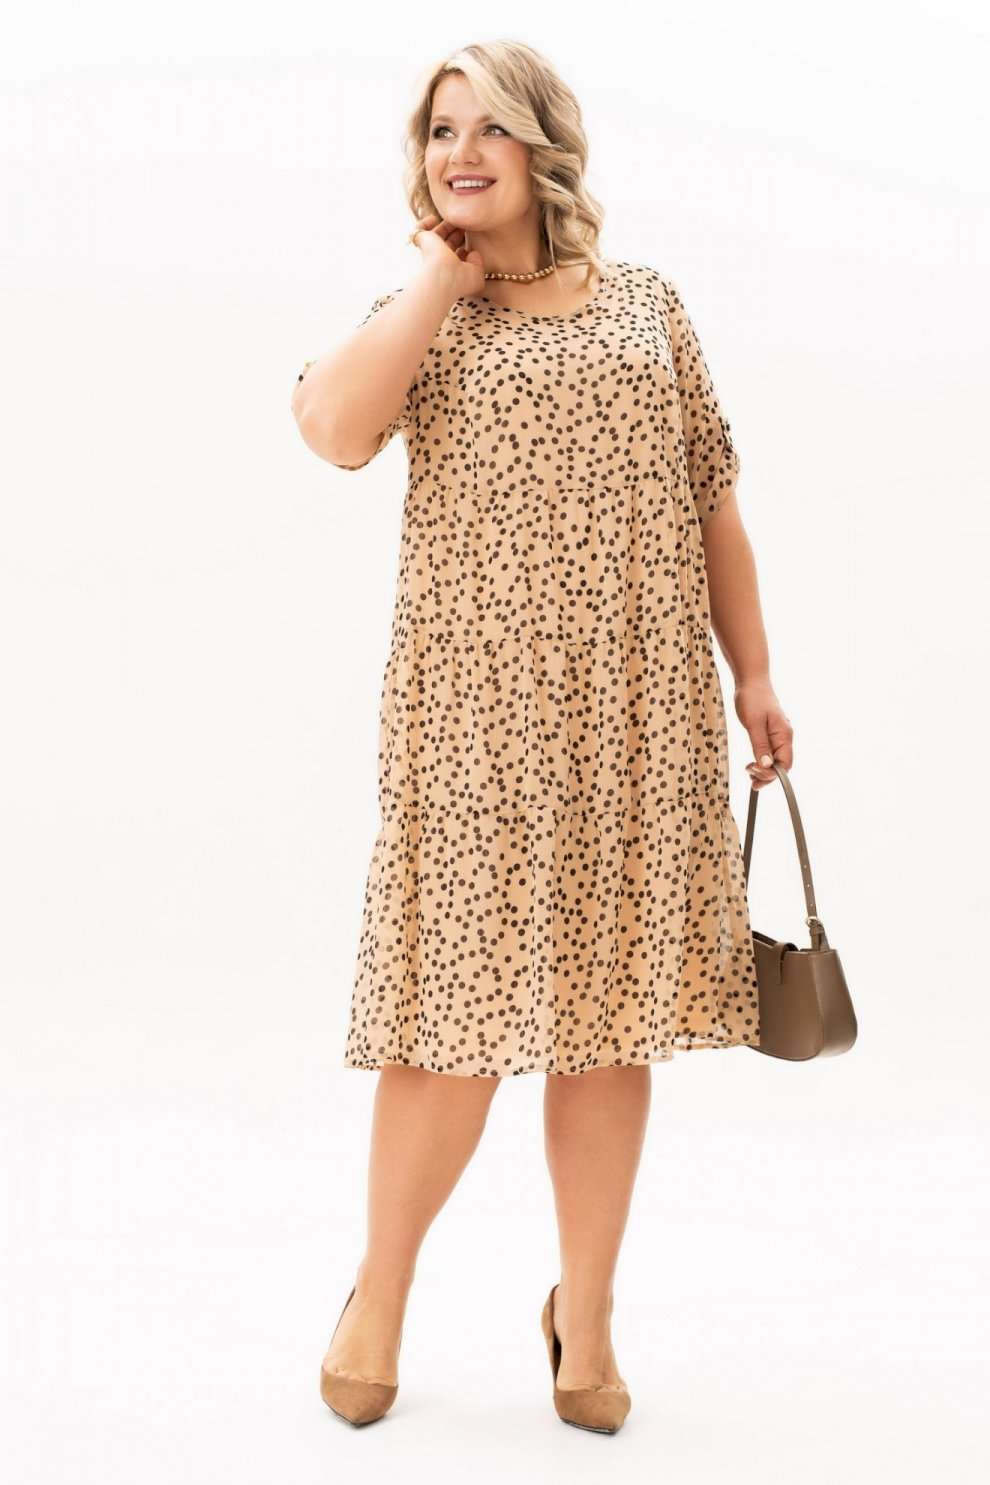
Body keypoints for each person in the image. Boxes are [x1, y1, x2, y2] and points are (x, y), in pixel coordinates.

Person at [291, 39, 793, 1433]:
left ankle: (589, 1311)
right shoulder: (423, 316)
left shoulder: (647, 306)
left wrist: (753, 673)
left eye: (488, 128)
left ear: (542, 146)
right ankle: (380, 1290)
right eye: (438, 130)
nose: (460, 151)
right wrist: (439, 276)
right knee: (446, 1027)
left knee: (608, 1023)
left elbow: (711, 498)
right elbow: (329, 429)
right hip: (473, 731)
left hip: (635, 720)